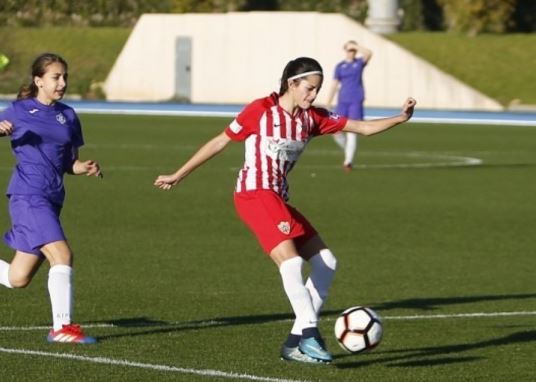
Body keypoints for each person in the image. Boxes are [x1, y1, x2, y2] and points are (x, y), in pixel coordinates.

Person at [154, 57, 416, 364]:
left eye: (316, 90)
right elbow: (220, 141)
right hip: (253, 194)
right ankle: (310, 334)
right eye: (309, 88)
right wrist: (178, 174)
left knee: (327, 263)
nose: (313, 95)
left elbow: (361, 127)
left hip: (278, 199)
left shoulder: (312, 118)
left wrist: (400, 118)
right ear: (291, 83)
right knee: (291, 263)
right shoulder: (260, 110)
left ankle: (293, 344)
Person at [0, 52, 102, 344]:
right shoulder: (19, 111)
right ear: (38, 81)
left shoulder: (69, 116)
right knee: (62, 255)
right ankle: (61, 328)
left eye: (65, 76)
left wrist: (83, 167)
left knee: (18, 278)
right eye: (56, 77)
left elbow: (68, 163)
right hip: (27, 197)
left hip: (52, 199)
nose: (62, 82)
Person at [325, 40, 372, 173]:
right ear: (345, 51)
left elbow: (369, 53)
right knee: (335, 131)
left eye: (353, 50)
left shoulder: (359, 63)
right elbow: (334, 84)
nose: (351, 52)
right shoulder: (340, 66)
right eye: (349, 50)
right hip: (342, 101)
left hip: (355, 100)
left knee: (352, 132)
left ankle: (348, 161)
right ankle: (348, 152)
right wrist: (328, 102)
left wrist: (356, 46)